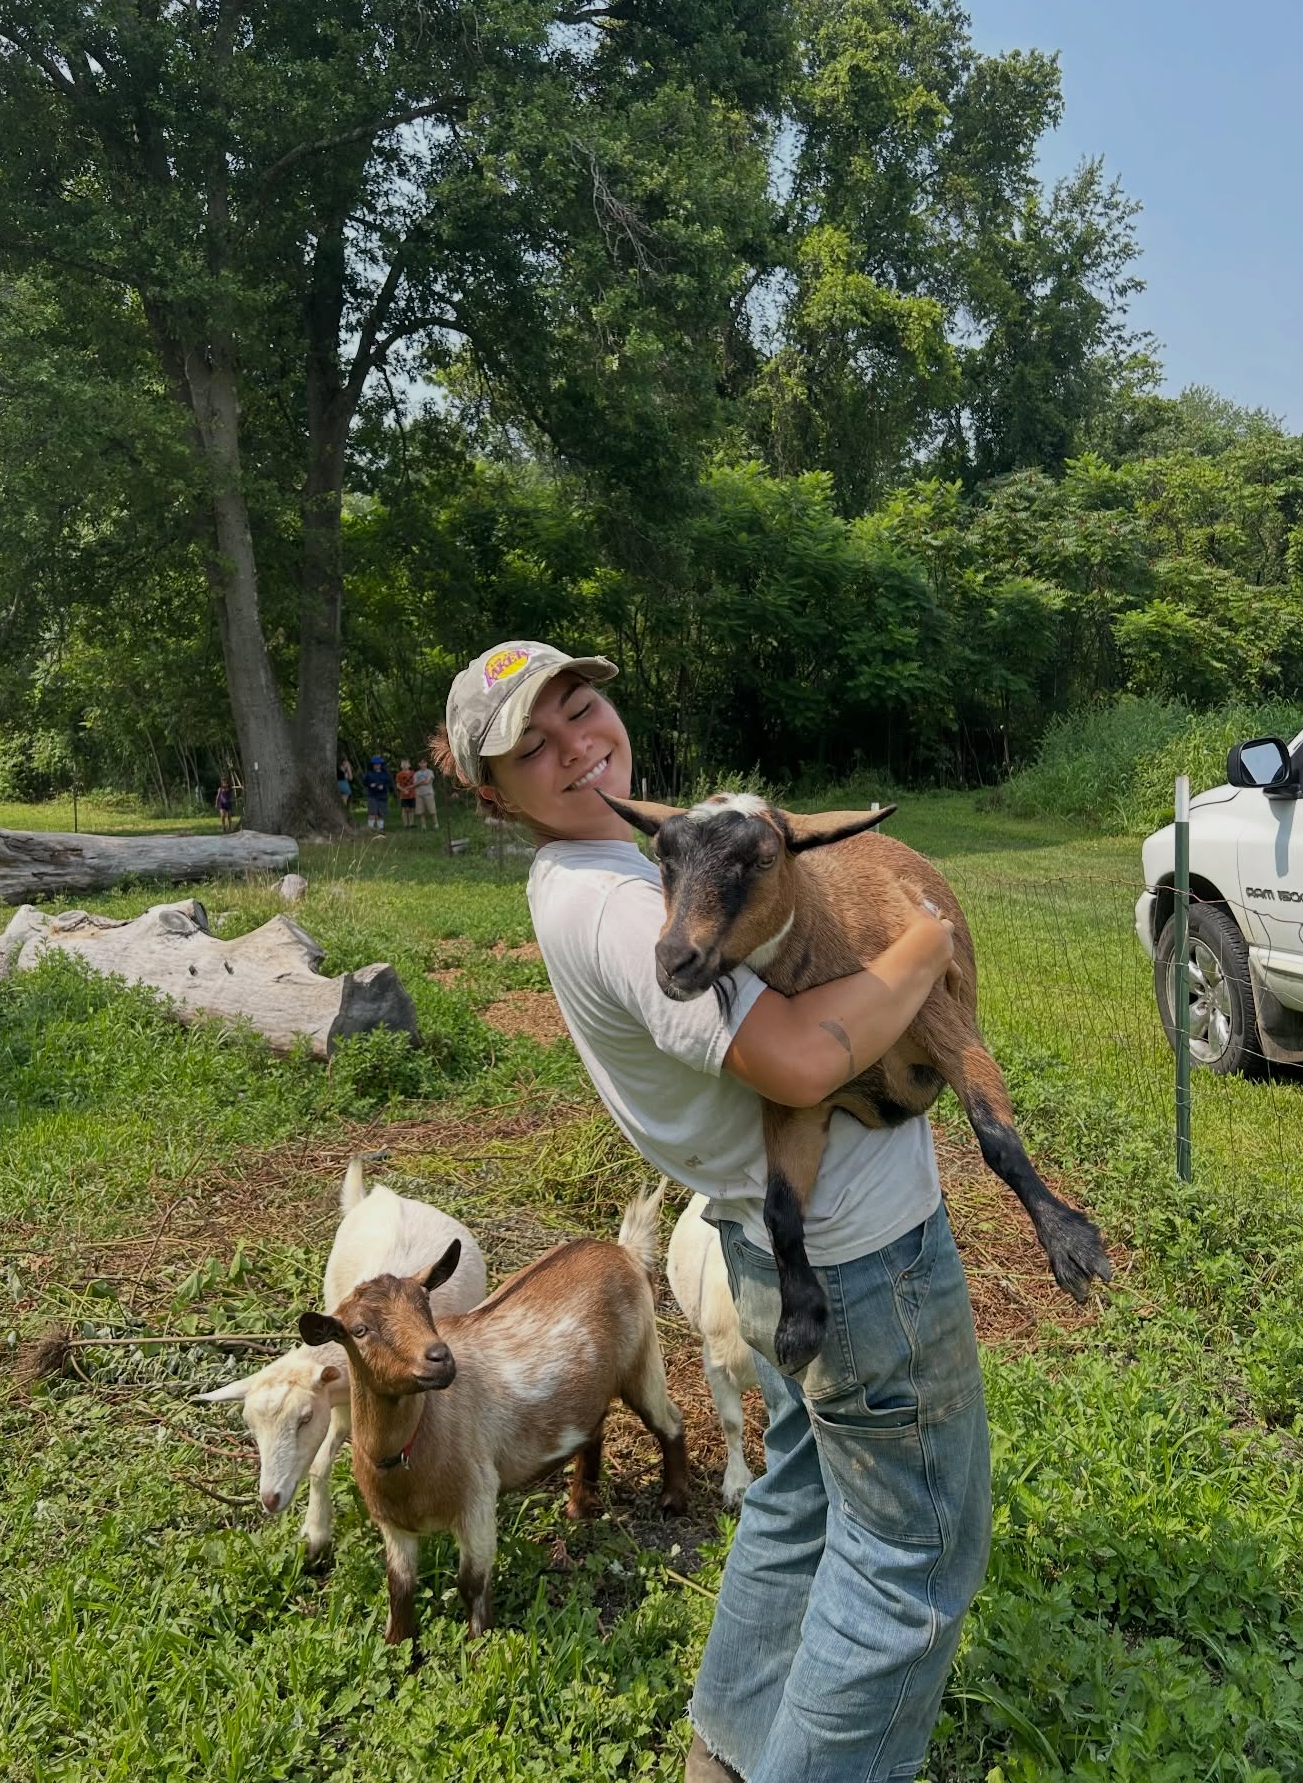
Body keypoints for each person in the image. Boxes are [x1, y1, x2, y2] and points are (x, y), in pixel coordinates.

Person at [436, 641, 990, 1783]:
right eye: (532, 749)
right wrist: (931, 937)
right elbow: (795, 1064)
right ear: (492, 795)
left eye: (581, 709)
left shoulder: (634, 864)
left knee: (793, 1495)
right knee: (911, 1557)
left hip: (766, 1244)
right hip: (858, 1258)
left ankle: (725, 1756)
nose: (576, 746)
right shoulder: (610, 912)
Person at [362, 754, 391, 833]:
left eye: (378, 764)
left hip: (382, 796)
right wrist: (370, 785)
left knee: (381, 813)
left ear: (381, 765)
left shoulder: (385, 774)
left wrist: (383, 786)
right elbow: (364, 782)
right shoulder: (369, 773)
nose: (377, 766)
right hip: (372, 795)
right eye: (375, 764)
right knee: (372, 812)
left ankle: (380, 829)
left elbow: (389, 783)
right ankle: (370, 829)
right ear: (372, 765)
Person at [412, 758, 438, 829]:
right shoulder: (416, 774)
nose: (422, 764)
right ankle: (424, 827)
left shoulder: (430, 772)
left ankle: (436, 825)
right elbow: (414, 784)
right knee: (421, 812)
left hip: (428, 793)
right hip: (419, 794)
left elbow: (427, 782)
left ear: (426, 763)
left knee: (432, 811)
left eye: (424, 763)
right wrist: (422, 781)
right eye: (421, 763)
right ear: (419, 764)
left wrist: (419, 782)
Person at [394, 757, 417, 828]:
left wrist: (410, 788)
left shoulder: (413, 773)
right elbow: (397, 785)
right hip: (403, 795)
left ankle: (411, 823)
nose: (404, 765)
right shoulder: (399, 774)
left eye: (406, 763)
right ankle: (405, 824)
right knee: (405, 809)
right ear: (401, 765)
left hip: (412, 794)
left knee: (411, 809)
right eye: (403, 763)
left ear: (409, 765)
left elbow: (416, 783)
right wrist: (404, 790)